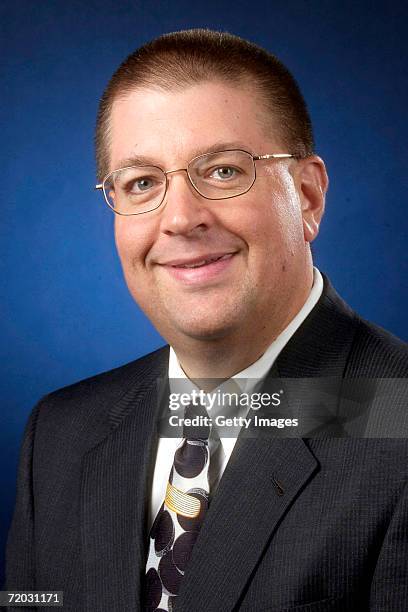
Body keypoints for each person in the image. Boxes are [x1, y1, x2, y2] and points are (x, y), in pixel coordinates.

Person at [5, 29, 407, 612]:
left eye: (222, 171)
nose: (180, 220)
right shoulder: (61, 433)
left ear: (308, 196)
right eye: (142, 183)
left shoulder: (397, 424)